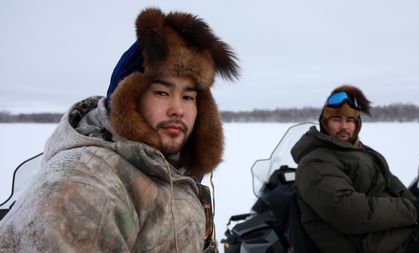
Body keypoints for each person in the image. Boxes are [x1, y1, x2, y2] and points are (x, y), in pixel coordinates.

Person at [0, 8, 239, 253]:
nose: (178, 109)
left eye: (189, 97)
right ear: (128, 98)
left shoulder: (171, 169)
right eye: (161, 92)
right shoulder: (87, 189)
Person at [291, 85, 419, 253]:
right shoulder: (316, 163)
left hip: (388, 233)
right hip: (371, 244)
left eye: (350, 120)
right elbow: (348, 212)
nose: (344, 126)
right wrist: (411, 211)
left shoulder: (358, 151)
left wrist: (417, 205)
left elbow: (389, 181)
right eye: (336, 119)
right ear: (325, 123)